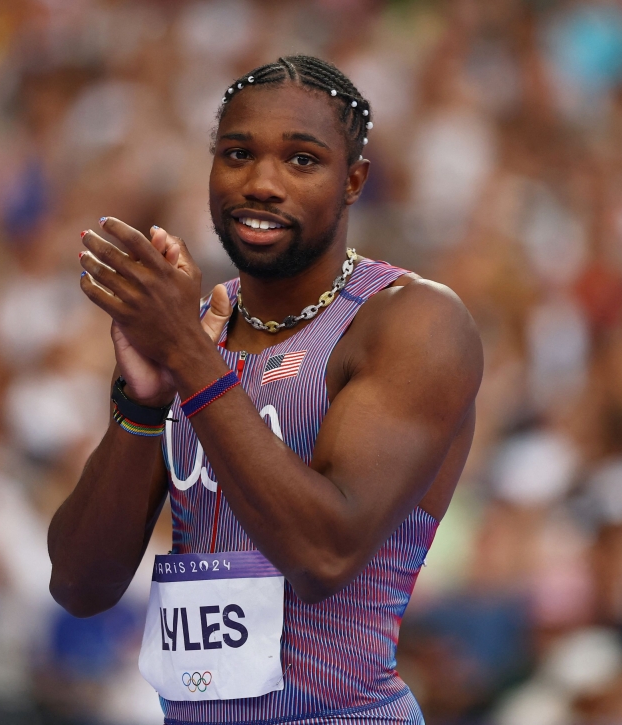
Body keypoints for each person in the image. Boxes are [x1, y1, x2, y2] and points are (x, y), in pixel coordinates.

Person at [47, 55, 483, 724]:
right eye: (238, 154)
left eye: (302, 160)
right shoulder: (191, 328)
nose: (261, 184)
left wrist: (189, 358)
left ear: (353, 181)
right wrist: (142, 405)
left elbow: (322, 556)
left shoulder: (413, 323)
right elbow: (81, 585)